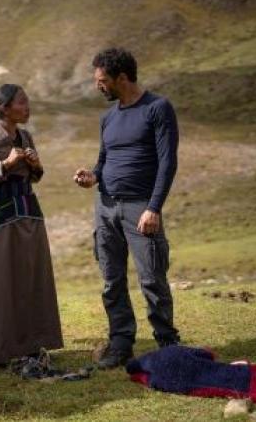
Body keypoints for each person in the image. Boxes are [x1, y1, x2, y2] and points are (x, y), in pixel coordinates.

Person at [73, 47, 180, 369]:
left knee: (152, 278)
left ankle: (167, 344)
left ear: (122, 78)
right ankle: (121, 344)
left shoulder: (157, 109)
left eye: (102, 80)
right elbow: (105, 161)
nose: (98, 86)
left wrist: (154, 208)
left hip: (140, 208)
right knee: (111, 279)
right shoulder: (109, 117)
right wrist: (92, 177)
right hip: (105, 208)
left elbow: (167, 163)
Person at [0, 84, 63, 367]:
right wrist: (6, 165)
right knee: (0, 283)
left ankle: (33, 346)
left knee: (31, 279)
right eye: (22, 103)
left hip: (30, 214)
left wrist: (36, 166)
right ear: (3, 108)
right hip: (1, 216)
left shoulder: (25, 135)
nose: (27, 107)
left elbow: (34, 178)